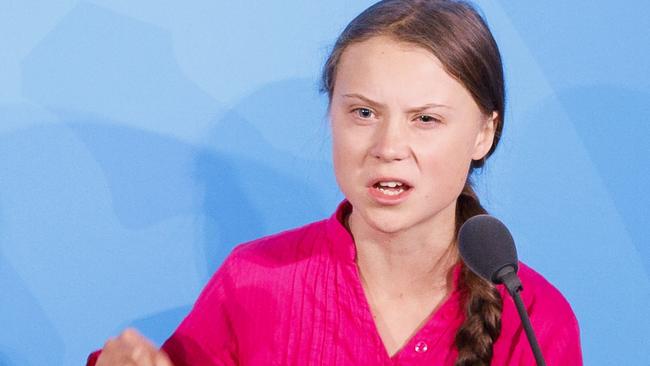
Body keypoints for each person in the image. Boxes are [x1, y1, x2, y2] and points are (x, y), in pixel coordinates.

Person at [89, 0, 582, 365]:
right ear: (331, 115)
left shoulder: (534, 317)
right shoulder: (255, 279)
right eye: (364, 113)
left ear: (483, 132)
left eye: (425, 119)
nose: (388, 146)